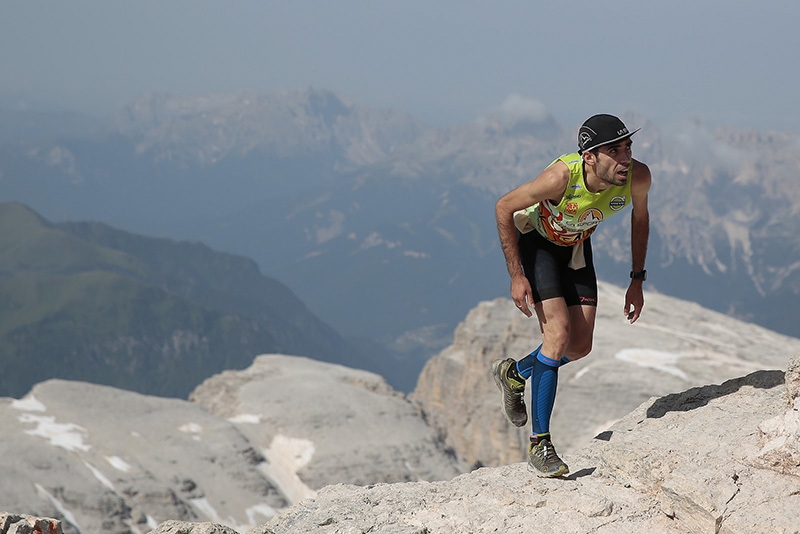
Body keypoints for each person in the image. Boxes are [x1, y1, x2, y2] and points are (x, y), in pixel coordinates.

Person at [492, 113, 651, 477]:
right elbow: (504, 207)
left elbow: (640, 219)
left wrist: (637, 279)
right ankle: (540, 444)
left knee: (579, 347)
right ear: (590, 157)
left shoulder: (637, 177)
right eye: (615, 150)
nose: (626, 157)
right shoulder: (561, 178)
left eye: (628, 147)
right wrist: (516, 276)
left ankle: (514, 374)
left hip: (576, 248)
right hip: (539, 245)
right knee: (557, 336)